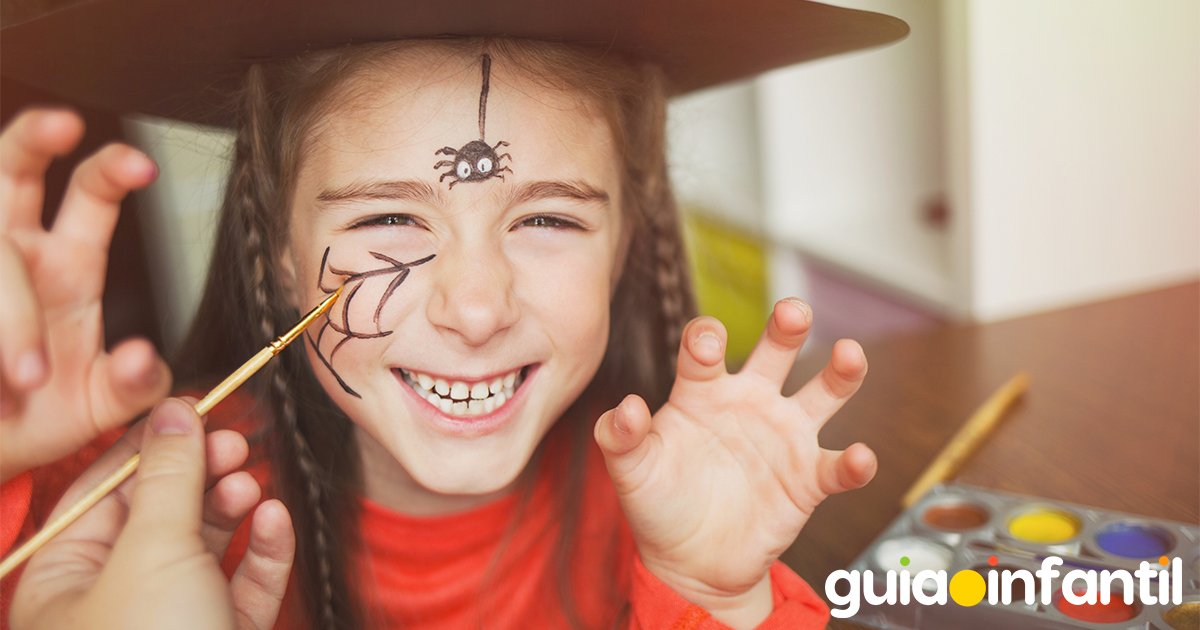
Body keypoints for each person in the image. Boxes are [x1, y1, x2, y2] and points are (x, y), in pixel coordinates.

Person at [1, 4, 908, 629]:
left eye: (547, 221)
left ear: (626, 242)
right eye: (387, 220)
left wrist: (712, 596)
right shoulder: (121, 512)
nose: (475, 310)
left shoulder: (681, 509)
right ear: (277, 253)